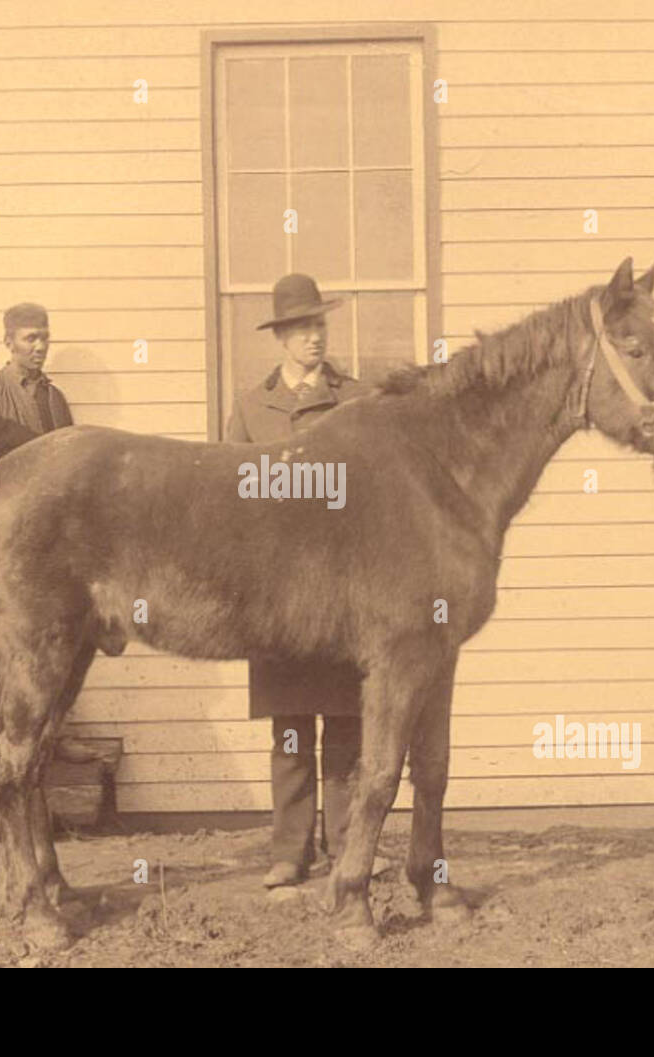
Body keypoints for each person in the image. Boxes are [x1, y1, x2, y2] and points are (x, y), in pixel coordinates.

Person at [226, 273, 386, 888]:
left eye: (318, 326)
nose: (313, 339)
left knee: (347, 723)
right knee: (289, 725)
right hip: (277, 593)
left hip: (344, 589)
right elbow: (230, 495)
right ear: (281, 339)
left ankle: (348, 845)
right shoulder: (250, 407)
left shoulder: (359, 399)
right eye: (300, 329)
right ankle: (289, 851)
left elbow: (375, 489)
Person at [0, 303, 72, 465]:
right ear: (9, 343)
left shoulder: (55, 398)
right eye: (30, 339)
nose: (41, 347)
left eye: (45, 338)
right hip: (4, 488)